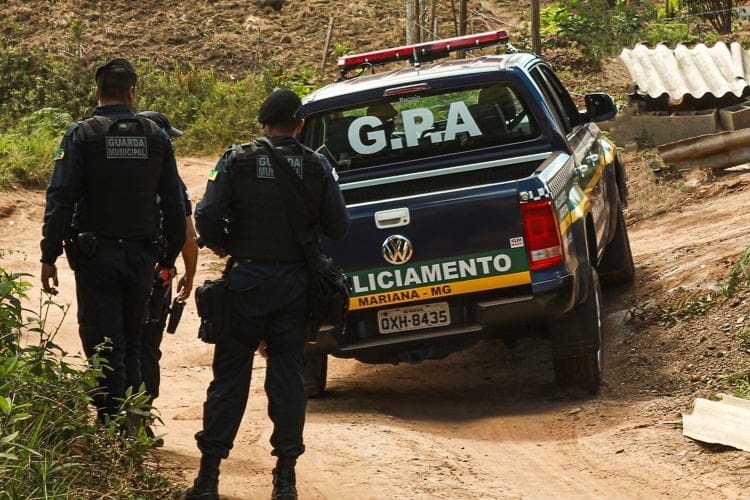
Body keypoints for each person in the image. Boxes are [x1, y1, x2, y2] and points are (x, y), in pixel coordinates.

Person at [187, 88, 349, 500]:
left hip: (246, 281)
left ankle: (208, 479)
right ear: (299, 124)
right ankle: (286, 479)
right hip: (295, 286)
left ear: (262, 124)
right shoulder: (317, 165)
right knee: (287, 376)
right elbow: (339, 226)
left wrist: (223, 243)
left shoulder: (236, 159)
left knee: (229, 377)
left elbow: (205, 214)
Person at [40, 58, 186, 426]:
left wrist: (49, 254)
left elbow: (60, 198)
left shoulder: (82, 135)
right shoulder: (155, 137)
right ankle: (132, 422)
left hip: (95, 257)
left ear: (97, 92)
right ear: (132, 92)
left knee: (102, 342)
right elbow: (173, 201)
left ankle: (110, 424)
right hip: (142, 257)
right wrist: (168, 257)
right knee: (134, 342)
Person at [137, 111, 199, 444]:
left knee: (119, 343)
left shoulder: (118, 174)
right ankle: (141, 419)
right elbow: (188, 237)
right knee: (147, 347)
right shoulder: (172, 183)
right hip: (156, 277)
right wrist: (189, 273)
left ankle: (114, 421)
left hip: (114, 272)